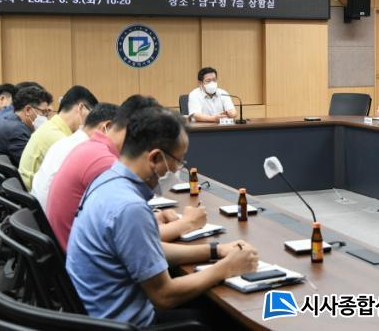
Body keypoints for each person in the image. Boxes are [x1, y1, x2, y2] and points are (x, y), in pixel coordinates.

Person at [66, 106, 258, 327]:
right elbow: (165, 296)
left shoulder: (107, 180)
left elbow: (148, 250)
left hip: (100, 316)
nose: (177, 170)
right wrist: (227, 268)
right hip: (129, 325)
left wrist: (215, 250)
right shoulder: (130, 207)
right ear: (156, 158)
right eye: (178, 161)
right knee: (233, 320)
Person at [47, 95, 206, 251]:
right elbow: (138, 238)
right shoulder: (104, 161)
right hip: (73, 257)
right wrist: (187, 223)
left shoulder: (93, 148)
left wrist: (153, 217)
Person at [32, 103, 118, 211]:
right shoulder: (91, 152)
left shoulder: (68, 141)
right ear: (107, 127)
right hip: (48, 216)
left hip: (39, 213)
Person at [19, 85, 98, 190]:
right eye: (91, 115)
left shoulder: (53, 127)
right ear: (81, 108)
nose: (91, 122)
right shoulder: (55, 136)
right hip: (33, 195)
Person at [0, 86, 53, 166]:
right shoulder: (17, 131)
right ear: (28, 110)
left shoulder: (8, 115)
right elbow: (31, 165)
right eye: (43, 112)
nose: (45, 117)